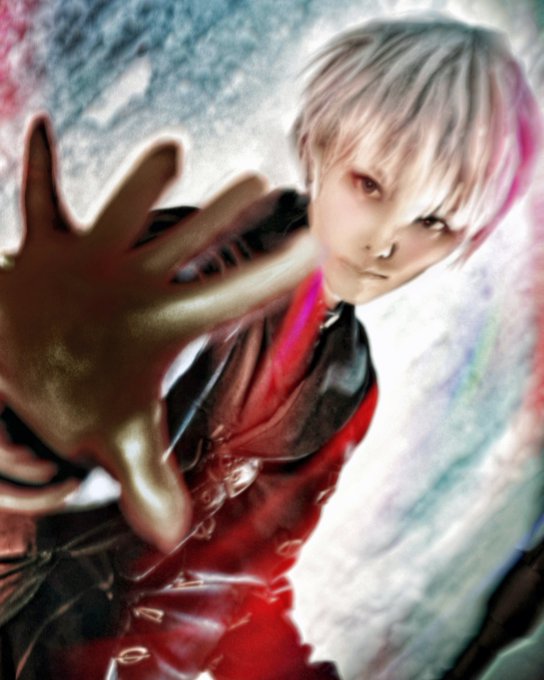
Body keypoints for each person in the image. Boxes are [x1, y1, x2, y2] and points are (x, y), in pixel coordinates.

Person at [0, 13, 540, 680]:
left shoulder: (346, 386)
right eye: (369, 186)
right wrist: (27, 441)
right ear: (319, 147)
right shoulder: (187, 273)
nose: (385, 243)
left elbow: (239, 587)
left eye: (432, 222)